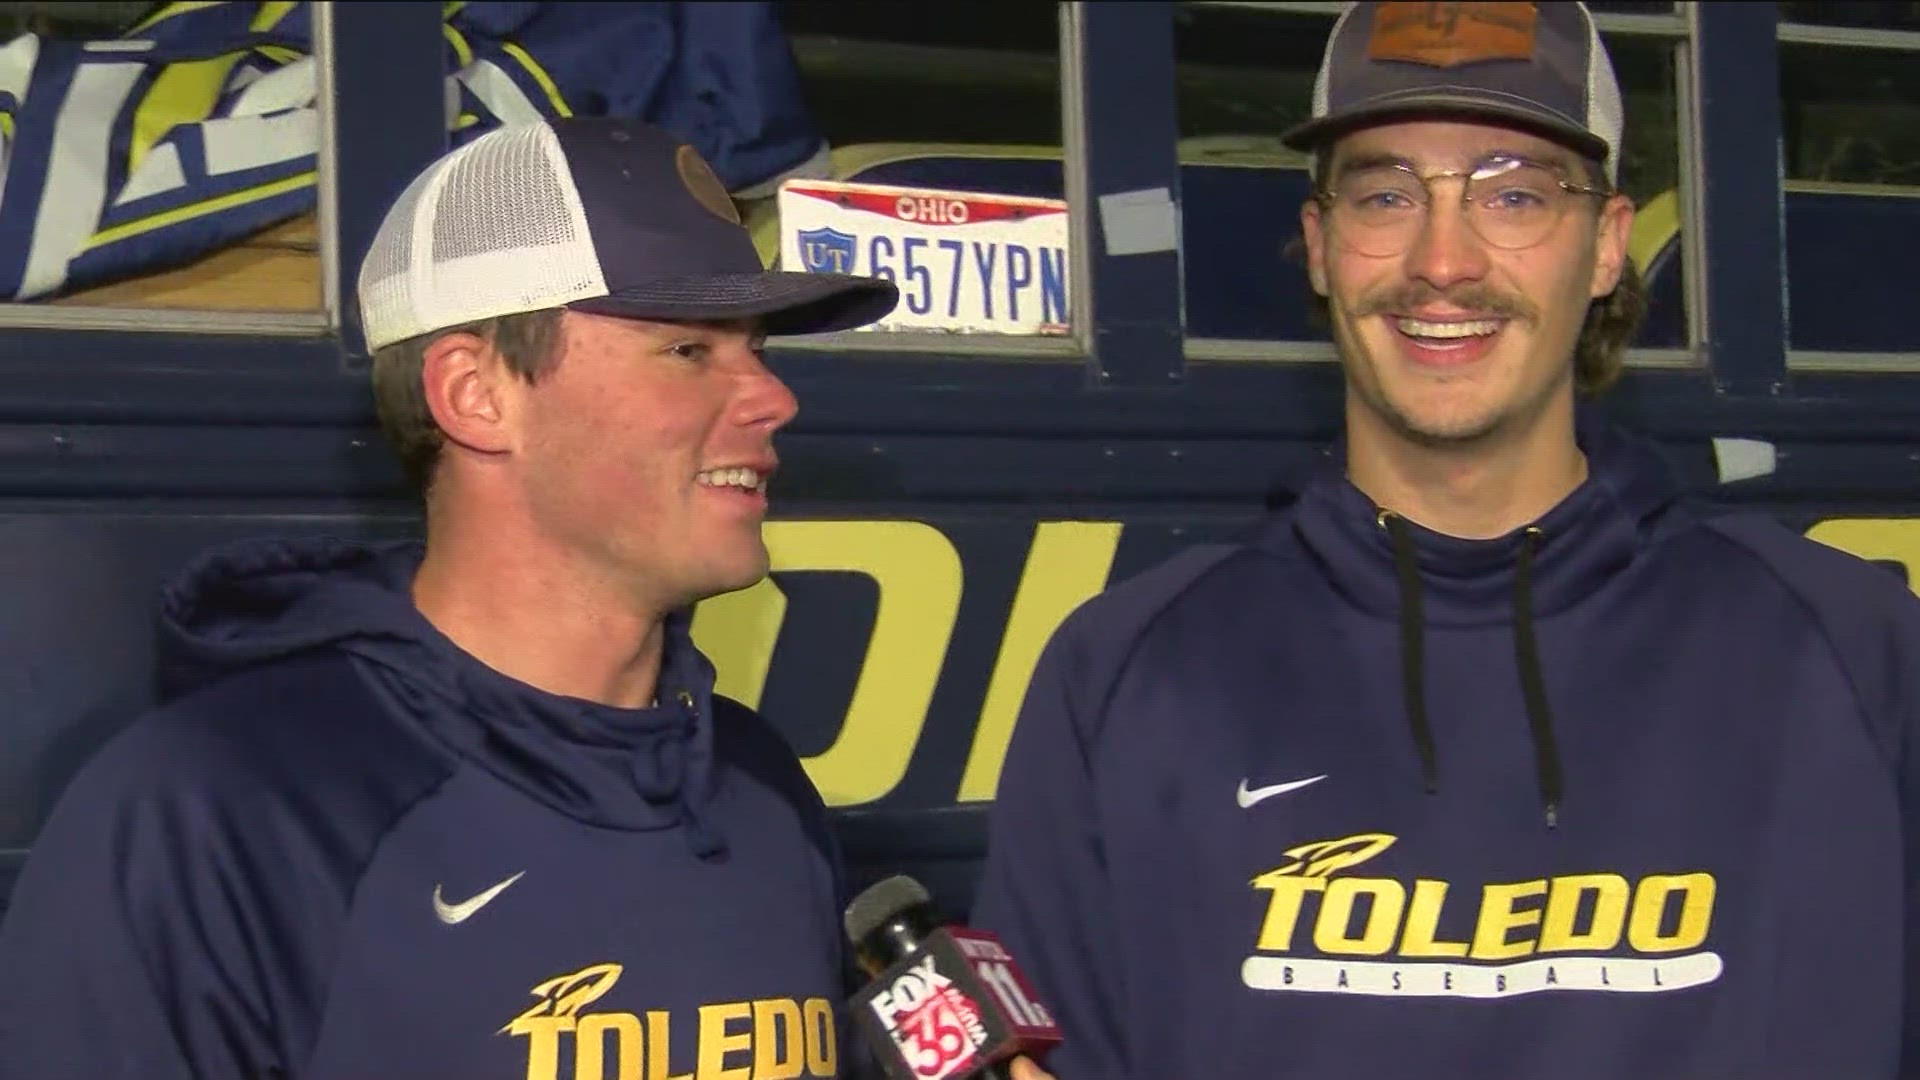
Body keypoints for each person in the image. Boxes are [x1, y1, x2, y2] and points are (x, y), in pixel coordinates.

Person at [971, 3, 1920, 1078]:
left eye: (1513, 194)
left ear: (1607, 244)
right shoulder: (1129, 674)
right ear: (1323, 246)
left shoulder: (1858, 656)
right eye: (1385, 194)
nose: (1443, 261)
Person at [0, 116, 904, 1078]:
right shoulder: (208, 816)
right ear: (475, 394)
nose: (774, 398)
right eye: (688, 351)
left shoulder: (759, 785)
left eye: (759, 348)